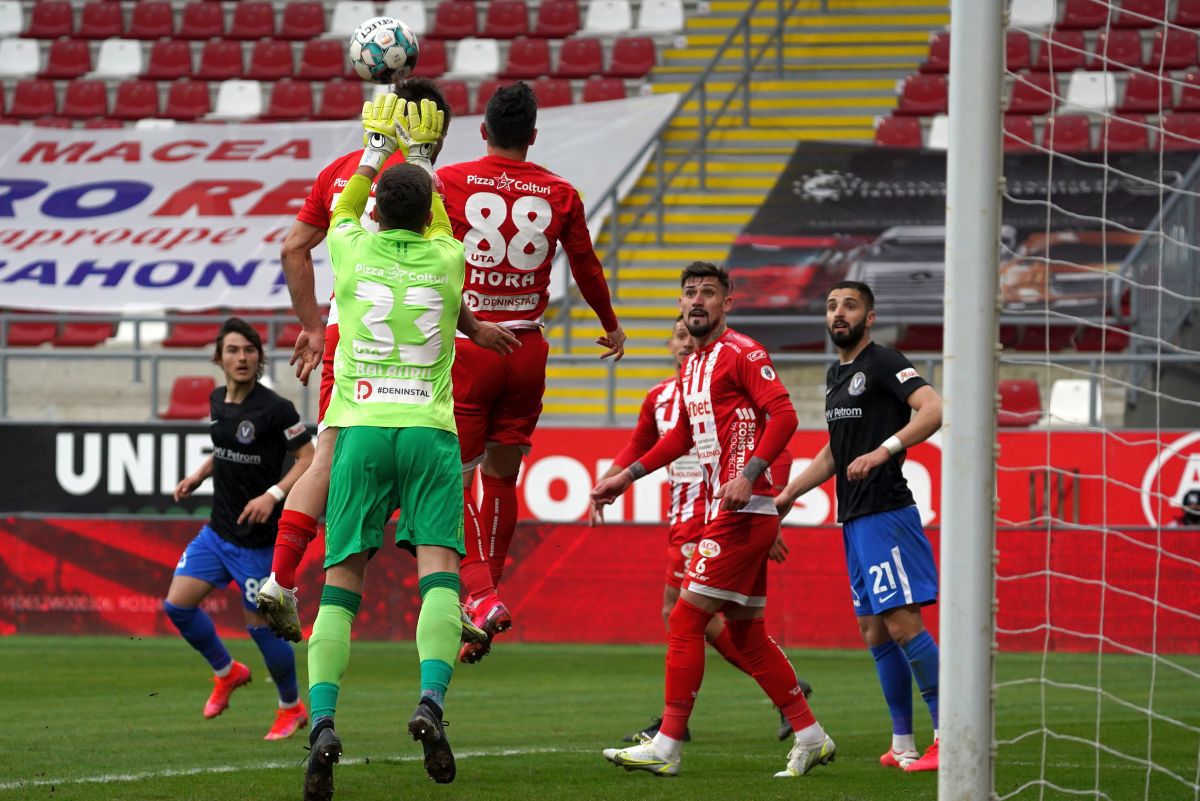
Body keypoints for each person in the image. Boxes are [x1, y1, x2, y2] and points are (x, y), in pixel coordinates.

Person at [256, 77, 516, 644]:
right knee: (454, 474)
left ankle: (281, 578)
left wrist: (309, 325)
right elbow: (441, 274)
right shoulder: (437, 186)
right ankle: (457, 598)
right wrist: (473, 327)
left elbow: (293, 246)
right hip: (418, 355)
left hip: (352, 340)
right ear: (436, 131)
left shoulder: (344, 172)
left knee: (329, 458)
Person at [591, 262, 833, 779]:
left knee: (683, 618)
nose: (696, 301)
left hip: (742, 510)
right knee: (746, 636)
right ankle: (810, 735)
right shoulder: (693, 365)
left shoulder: (742, 353)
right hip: (733, 511)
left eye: (708, 293)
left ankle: (668, 744)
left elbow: (785, 415)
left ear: (728, 303)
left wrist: (749, 474)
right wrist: (625, 477)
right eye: (689, 293)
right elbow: (678, 438)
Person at [302, 96, 467, 801]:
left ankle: (323, 723)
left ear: (376, 210)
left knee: (342, 583)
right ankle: (429, 701)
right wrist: (424, 159)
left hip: (362, 426)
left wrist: (374, 147)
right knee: (440, 573)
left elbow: (342, 209)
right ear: (425, 206)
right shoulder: (448, 256)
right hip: (429, 430)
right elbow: (443, 219)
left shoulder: (350, 246)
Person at [438, 81, 627, 664]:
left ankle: (482, 596)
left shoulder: (449, 182)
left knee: (452, 481)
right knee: (501, 477)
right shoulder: (559, 191)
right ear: (534, 136)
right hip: (526, 350)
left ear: (484, 130)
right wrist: (612, 326)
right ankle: (487, 598)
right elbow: (587, 266)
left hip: (471, 345)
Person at [775, 280, 944, 772]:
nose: (838, 313)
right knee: (874, 631)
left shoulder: (886, 362)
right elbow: (834, 452)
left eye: (849, 305)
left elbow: (932, 409)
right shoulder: (835, 374)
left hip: (887, 513)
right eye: (831, 306)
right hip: (853, 517)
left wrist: (884, 450)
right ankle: (904, 743)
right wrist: (789, 495)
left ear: (869, 318)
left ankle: (951, 734)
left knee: (902, 623)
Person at [164, 317, 315, 741]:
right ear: (219, 358)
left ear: (258, 357)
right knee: (177, 606)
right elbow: (224, 450)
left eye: (248, 350)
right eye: (233, 350)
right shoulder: (216, 401)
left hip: (256, 543)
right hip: (217, 533)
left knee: (261, 628)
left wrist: (273, 494)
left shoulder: (276, 409)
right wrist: (198, 474)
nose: (242, 357)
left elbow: (308, 456)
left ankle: (291, 707)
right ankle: (227, 672)